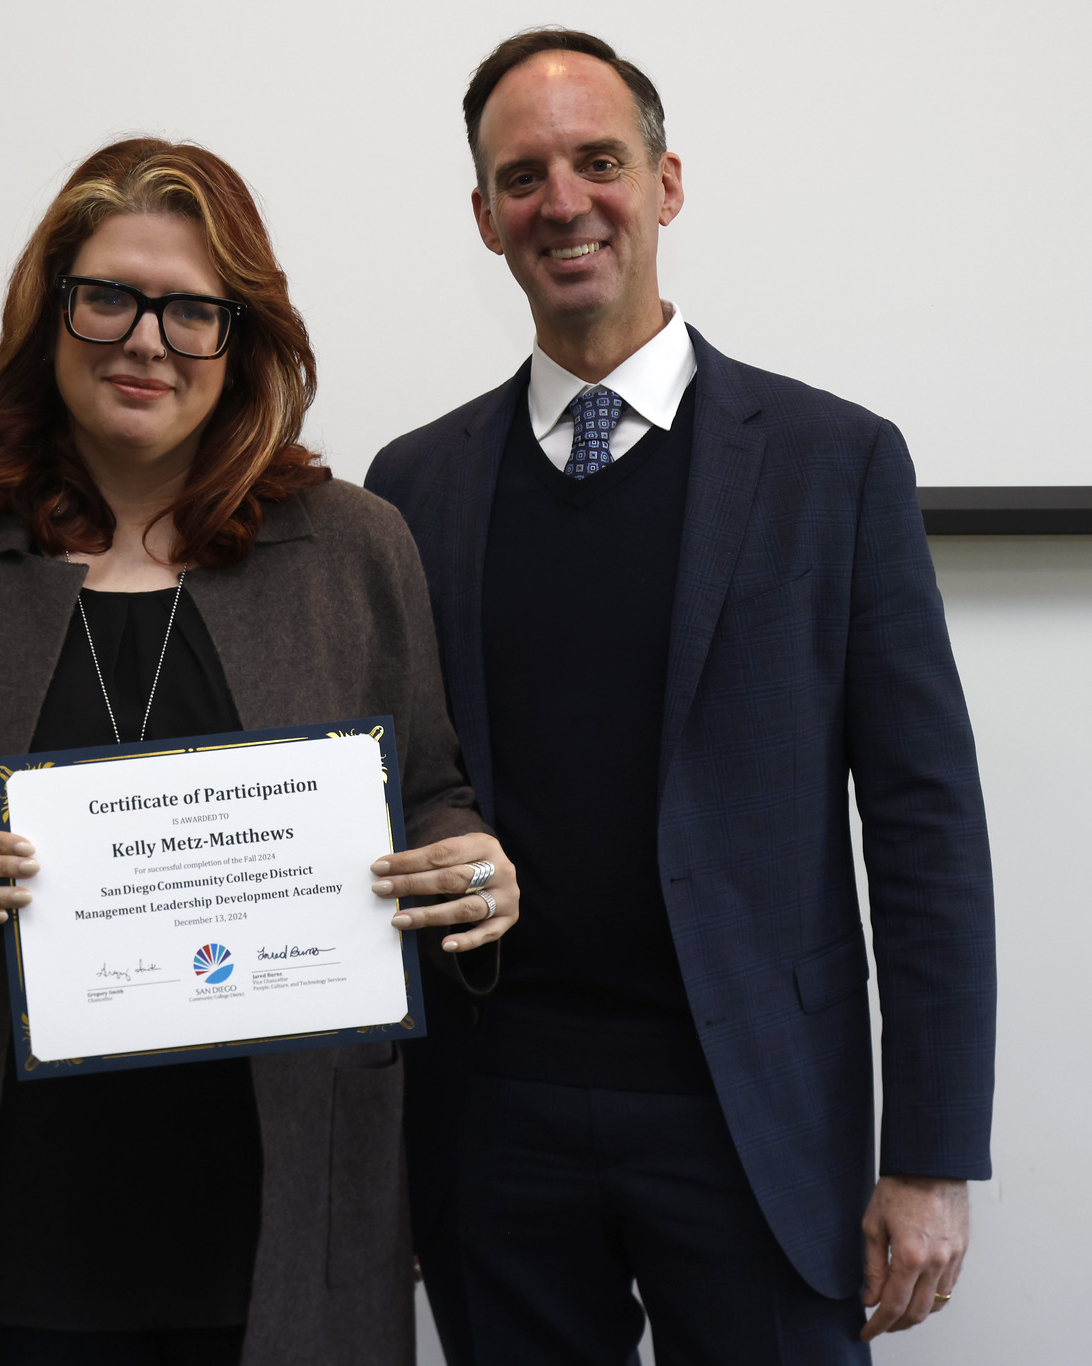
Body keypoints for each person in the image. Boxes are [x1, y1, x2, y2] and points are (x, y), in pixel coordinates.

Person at [0, 138, 520, 1366]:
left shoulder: (351, 547)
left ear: (246, 337)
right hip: (7, 1219)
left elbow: (427, 792)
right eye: (108, 295)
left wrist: (465, 865)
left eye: (191, 310)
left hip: (272, 1220)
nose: (146, 340)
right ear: (48, 309)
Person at [364, 30, 996, 1366]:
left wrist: (932, 1152)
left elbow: (925, 821)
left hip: (754, 1113)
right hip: (494, 1117)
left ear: (666, 182)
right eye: (522, 175)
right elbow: (393, 805)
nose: (565, 201)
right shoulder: (411, 487)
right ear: (484, 218)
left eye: (600, 161)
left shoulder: (836, 463)